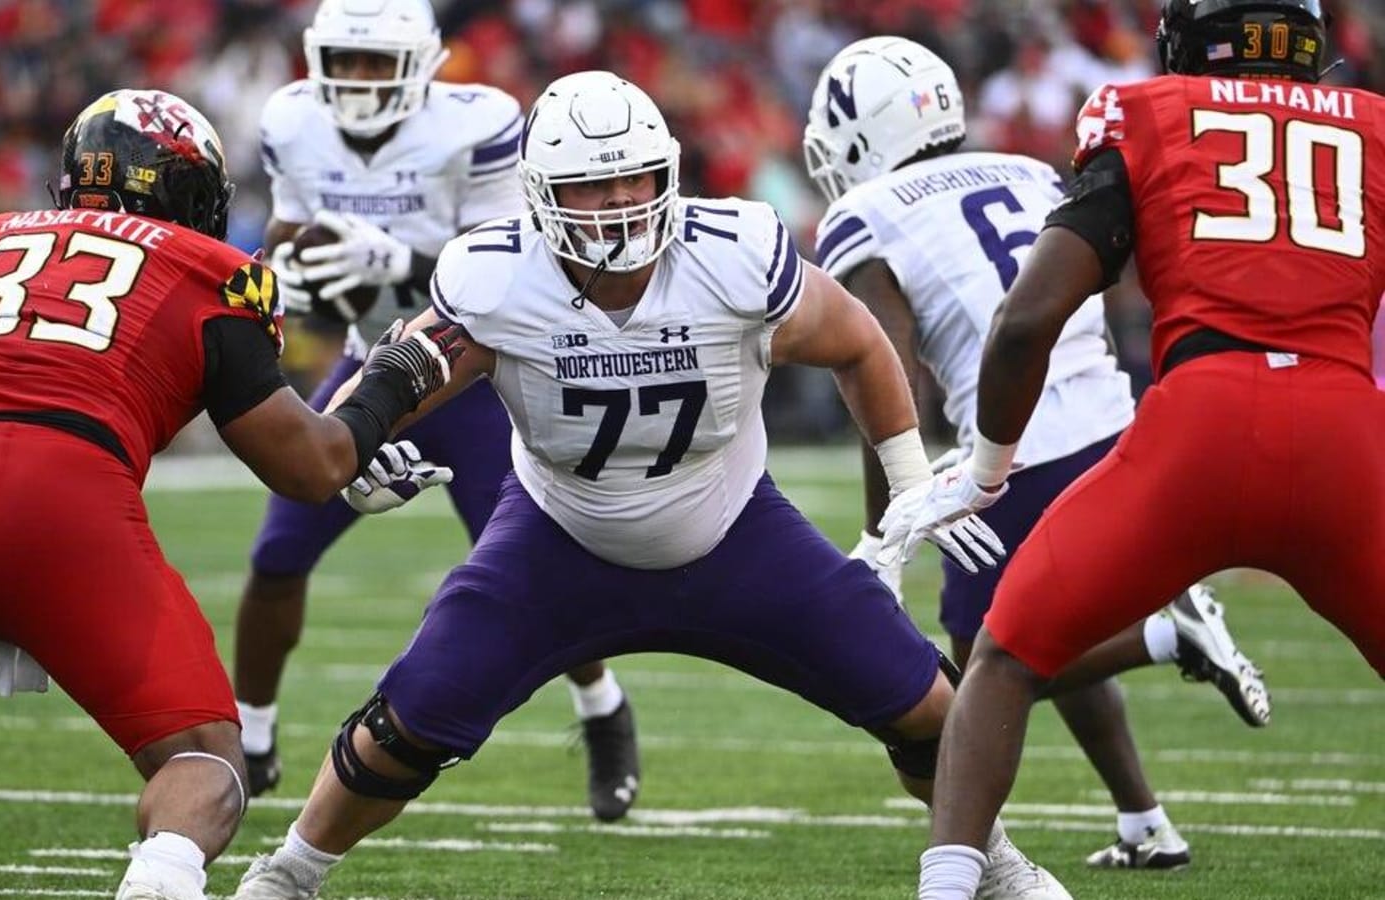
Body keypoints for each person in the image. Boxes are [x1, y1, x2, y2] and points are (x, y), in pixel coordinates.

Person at [229, 69, 1072, 900]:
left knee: (925, 703)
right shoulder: (499, 276)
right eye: (590, 187)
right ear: (539, 193)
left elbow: (856, 340)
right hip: (559, 539)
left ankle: (992, 861)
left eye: (634, 176)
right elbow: (398, 371)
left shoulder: (733, 255)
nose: (619, 201)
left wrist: (909, 477)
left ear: (668, 172)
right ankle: (289, 873)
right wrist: (356, 452)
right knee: (406, 720)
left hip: (736, 530)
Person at [0, 89, 462, 900]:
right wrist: (392, 381)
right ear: (188, 194)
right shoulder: (208, 271)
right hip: (69, 508)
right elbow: (309, 468)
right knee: (207, 765)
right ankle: (160, 883)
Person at [885, 2, 1385, 896]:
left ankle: (950, 887)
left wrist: (987, 471)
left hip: (1199, 430)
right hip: (1349, 439)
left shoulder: (1149, 113)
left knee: (1002, 658)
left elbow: (1027, 320)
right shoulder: (1376, 130)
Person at [803, 35, 1271, 870]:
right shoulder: (1023, 169)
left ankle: (1166, 641)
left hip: (1016, 443)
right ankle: (1144, 822)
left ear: (861, 133)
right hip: (1117, 422)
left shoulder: (865, 212)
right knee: (1052, 615)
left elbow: (883, 370)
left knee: (980, 664)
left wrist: (888, 530)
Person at [240, 0, 642, 819]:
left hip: (469, 371)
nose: (355, 79)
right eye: (343, 60)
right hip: (367, 358)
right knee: (280, 549)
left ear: (423, 62)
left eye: (371, 61)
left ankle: (604, 708)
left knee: (533, 571)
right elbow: (285, 228)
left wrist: (398, 258)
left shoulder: (480, 123)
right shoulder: (291, 118)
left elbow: (517, 266)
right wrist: (292, 264)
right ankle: (250, 737)